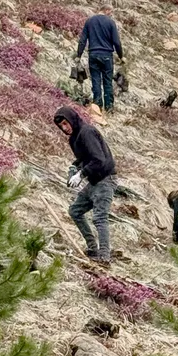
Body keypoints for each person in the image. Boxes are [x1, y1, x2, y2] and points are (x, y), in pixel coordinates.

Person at [55, 106, 117, 263]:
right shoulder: (74, 139)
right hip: (94, 181)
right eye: (61, 126)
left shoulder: (87, 132)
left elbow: (98, 159)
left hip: (105, 179)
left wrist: (81, 174)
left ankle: (104, 256)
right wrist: (74, 167)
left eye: (65, 123)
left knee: (100, 217)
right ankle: (92, 248)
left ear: (72, 119)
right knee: (75, 211)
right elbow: (84, 158)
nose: (64, 128)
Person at [75, 3, 125, 112]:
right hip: (107, 56)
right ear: (106, 10)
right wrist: (121, 56)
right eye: (110, 12)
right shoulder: (110, 22)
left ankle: (97, 106)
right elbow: (117, 42)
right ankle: (109, 107)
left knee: (96, 80)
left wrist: (78, 55)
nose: (111, 14)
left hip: (93, 55)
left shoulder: (89, 21)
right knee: (107, 82)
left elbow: (83, 40)